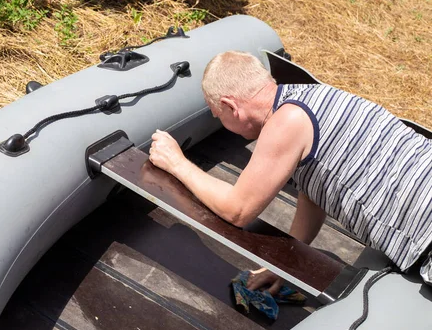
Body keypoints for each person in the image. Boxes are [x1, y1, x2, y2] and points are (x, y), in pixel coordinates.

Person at [148, 50, 432, 294]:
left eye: (217, 114)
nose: (220, 122)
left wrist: (177, 163)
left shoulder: (286, 121)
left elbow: (237, 209)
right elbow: (315, 190)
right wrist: (286, 261)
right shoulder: (309, 96)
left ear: (230, 107)